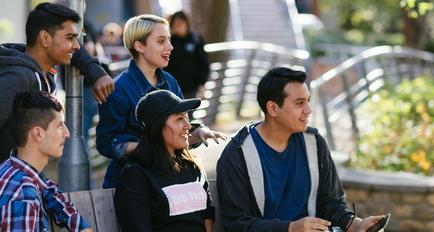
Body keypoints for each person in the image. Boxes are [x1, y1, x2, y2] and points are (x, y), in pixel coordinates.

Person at [216, 67, 385, 232]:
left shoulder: (315, 142)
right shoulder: (237, 154)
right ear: (273, 108)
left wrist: (356, 225)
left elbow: (332, 204)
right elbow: (236, 223)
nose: (308, 110)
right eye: (299, 103)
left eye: (308, 101)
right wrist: (290, 228)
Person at [96, 14, 226, 188]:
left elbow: (176, 134)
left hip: (168, 180)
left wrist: (197, 134)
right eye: (161, 41)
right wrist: (150, 148)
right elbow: (107, 143)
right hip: (131, 186)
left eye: (169, 40)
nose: (170, 47)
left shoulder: (171, 81)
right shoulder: (119, 89)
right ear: (139, 46)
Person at [0, 2, 114, 162]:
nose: (76, 46)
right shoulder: (20, 78)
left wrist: (95, 71)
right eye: (70, 38)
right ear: (45, 38)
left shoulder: (38, 73)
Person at [114, 89, 214, 232]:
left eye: (186, 117)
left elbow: (207, 215)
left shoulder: (192, 167)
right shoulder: (136, 175)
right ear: (157, 126)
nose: (188, 126)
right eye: (179, 119)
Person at [0, 90, 91, 232]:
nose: (67, 133)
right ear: (38, 134)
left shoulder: (13, 167)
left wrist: (79, 225)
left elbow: (47, 188)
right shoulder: (23, 197)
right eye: (59, 126)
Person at [165, 11, 210, 99]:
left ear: (186, 23)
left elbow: (204, 63)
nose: (178, 27)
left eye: (180, 24)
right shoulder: (169, 42)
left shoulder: (195, 39)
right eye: (175, 24)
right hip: (174, 89)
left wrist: (202, 84)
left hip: (193, 88)